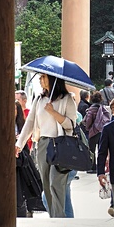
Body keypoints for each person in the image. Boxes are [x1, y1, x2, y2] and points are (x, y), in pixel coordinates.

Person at [15, 72, 78, 218]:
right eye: (40, 77)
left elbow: (71, 125)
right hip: (43, 144)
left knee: (55, 184)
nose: (41, 80)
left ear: (52, 78)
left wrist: (54, 112)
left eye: (43, 77)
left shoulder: (66, 99)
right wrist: (19, 144)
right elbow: (29, 123)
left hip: (60, 144)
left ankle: (59, 218)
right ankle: (54, 217)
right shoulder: (39, 98)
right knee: (46, 186)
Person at [15, 100, 44, 217]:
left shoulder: (21, 124)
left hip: (22, 161)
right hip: (16, 161)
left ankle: (25, 210)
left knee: (23, 189)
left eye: (15, 109)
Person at [81, 91, 110, 173]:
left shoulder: (91, 109)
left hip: (93, 132)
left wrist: (87, 127)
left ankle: (93, 167)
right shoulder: (103, 108)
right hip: (102, 130)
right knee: (101, 150)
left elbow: (88, 120)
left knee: (92, 150)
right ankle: (101, 166)